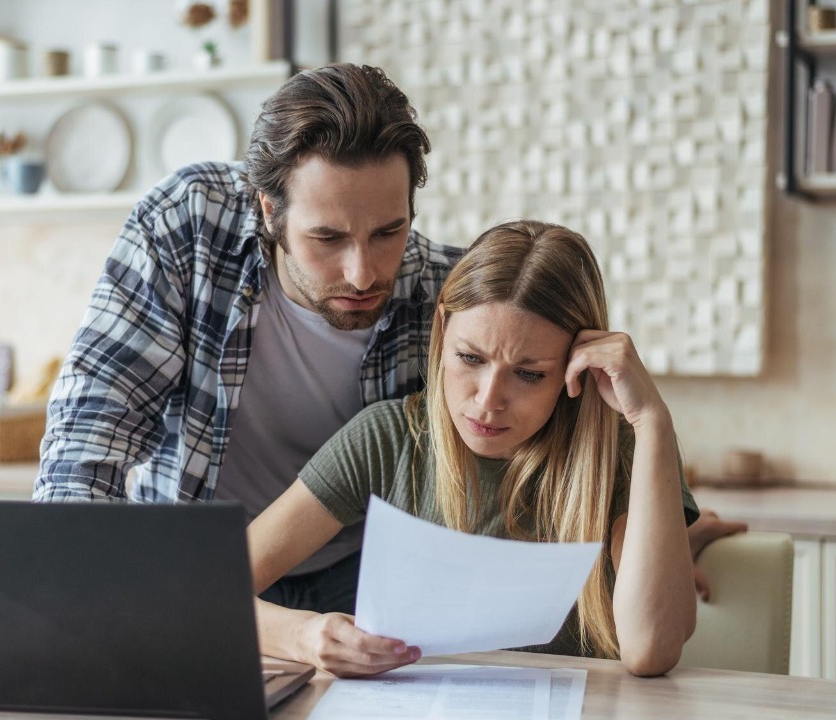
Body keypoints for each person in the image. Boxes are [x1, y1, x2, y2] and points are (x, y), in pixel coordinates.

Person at [34, 62, 740, 615]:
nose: (364, 270)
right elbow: (93, 427)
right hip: (200, 566)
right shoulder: (188, 226)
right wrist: (62, 592)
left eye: (388, 231)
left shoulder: (448, 296)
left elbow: (551, 436)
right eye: (327, 238)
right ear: (268, 209)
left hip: (365, 581)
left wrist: (653, 544)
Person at [248, 221, 700, 678]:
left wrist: (652, 421)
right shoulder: (387, 440)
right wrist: (303, 636)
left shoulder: (622, 452)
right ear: (442, 329)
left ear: (576, 367)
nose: (487, 401)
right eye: (470, 358)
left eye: (529, 374)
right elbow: (210, 589)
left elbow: (651, 650)